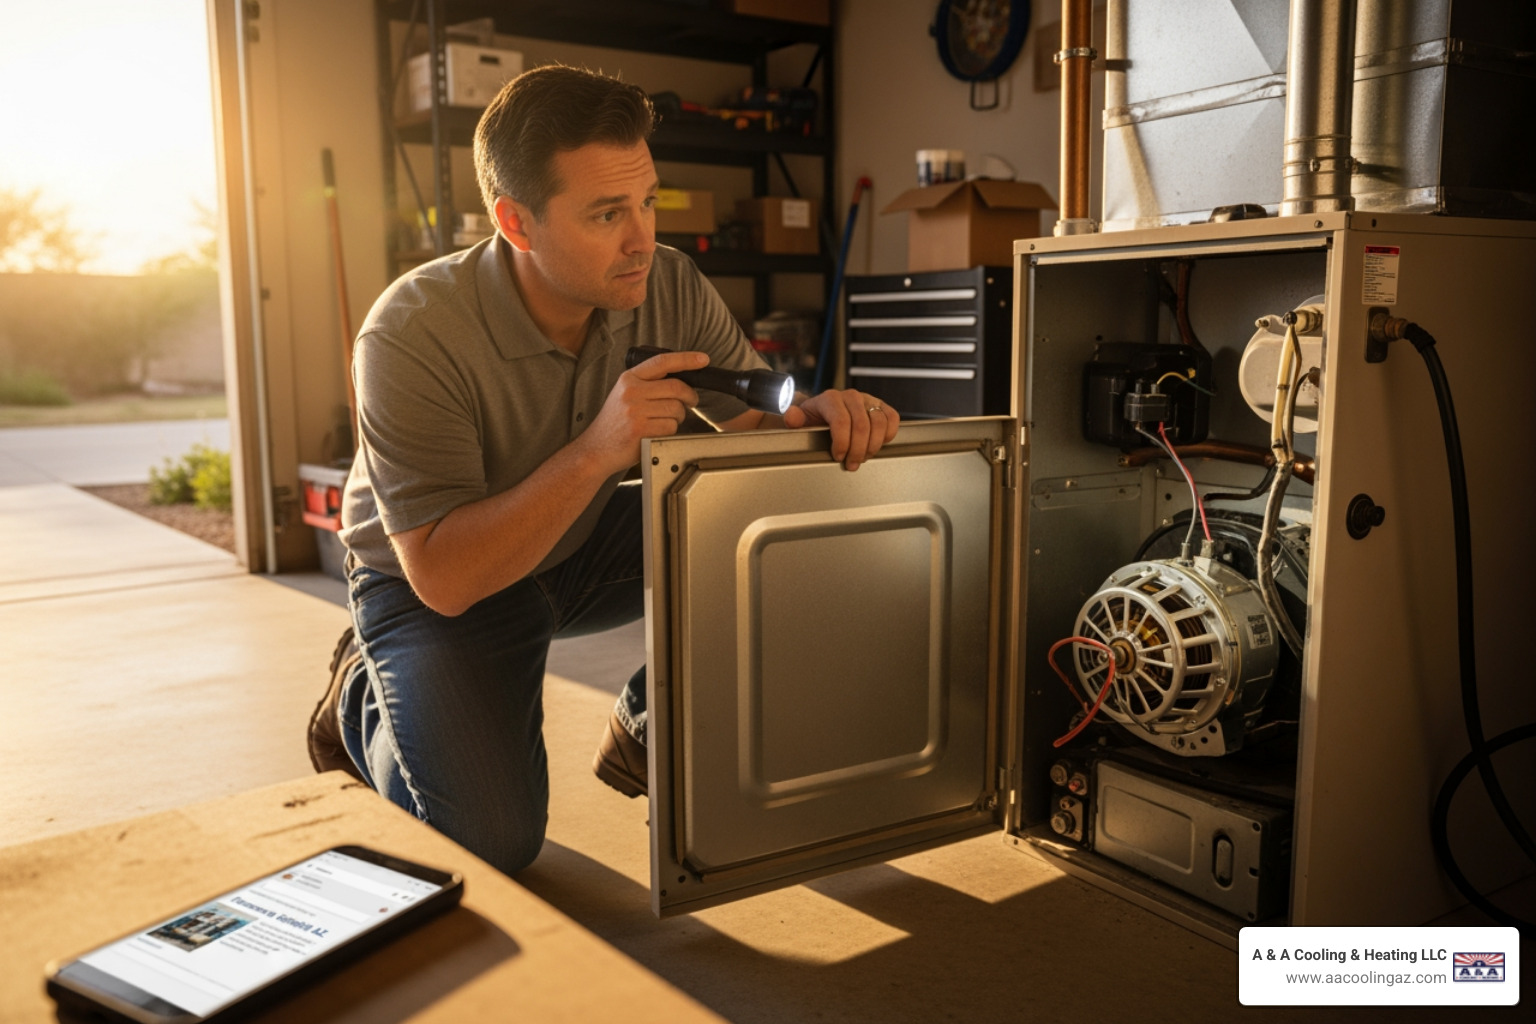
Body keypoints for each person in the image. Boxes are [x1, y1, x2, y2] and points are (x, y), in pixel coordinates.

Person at [308, 64, 900, 877]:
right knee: (488, 846)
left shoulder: (666, 284)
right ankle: (362, 697)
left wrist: (823, 419)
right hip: (438, 583)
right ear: (516, 222)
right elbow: (445, 575)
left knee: (818, 513)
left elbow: (754, 427)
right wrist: (598, 448)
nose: (642, 238)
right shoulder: (411, 333)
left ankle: (648, 722)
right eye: (606, 213)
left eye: (648, 201)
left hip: (581, 543)